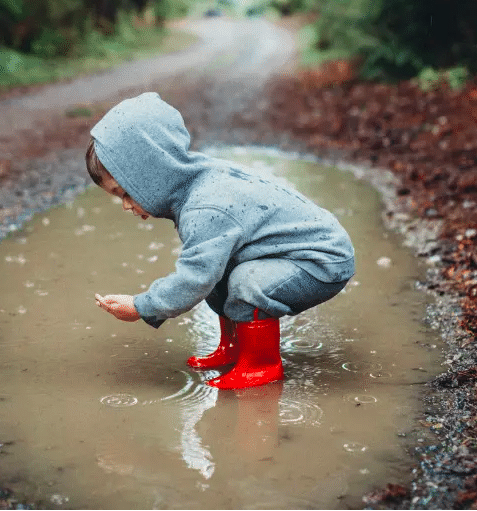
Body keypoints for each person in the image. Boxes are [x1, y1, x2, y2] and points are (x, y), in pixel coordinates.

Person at [89, 92, 355, 390]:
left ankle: (260, 365)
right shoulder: (192, 182)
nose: (126, 205)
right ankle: (234, 348)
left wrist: (141, 306)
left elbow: (193, 279)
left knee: (244, 281)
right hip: (292, 253)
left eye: (125, 192)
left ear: (152, 173)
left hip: (322, 260)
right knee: (221, 270)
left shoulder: (205, 207)